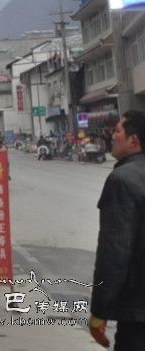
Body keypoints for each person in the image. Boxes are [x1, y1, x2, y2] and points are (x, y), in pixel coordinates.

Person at [88, 110, 145, 349]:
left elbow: (114, 254)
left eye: (118, 131)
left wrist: (99, 311)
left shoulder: (121, 180)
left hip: (137, 315)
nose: (112, 135)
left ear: (133, 141)